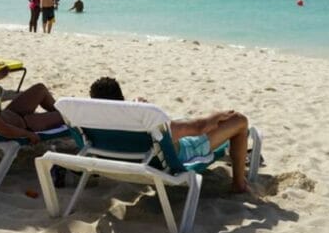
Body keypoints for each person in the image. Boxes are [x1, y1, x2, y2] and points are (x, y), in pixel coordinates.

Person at [89, 77, 252, 193]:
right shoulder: (147, 123)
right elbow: (199, 127)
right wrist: (217, 116)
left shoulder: (94, 125)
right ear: (122, 98)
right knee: (239, 120)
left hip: (135, 160)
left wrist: (138, 106)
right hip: (184, 152)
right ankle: (239, 184)